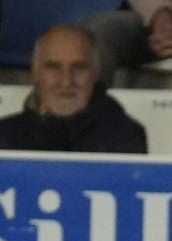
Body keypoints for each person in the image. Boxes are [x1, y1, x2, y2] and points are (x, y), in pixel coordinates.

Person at [0, 25, 146, 153]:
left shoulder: (125, 135)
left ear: (96, 72)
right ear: (35, 71)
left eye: (79, 67)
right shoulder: (4, 134)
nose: (66, 81)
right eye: (53, 67)